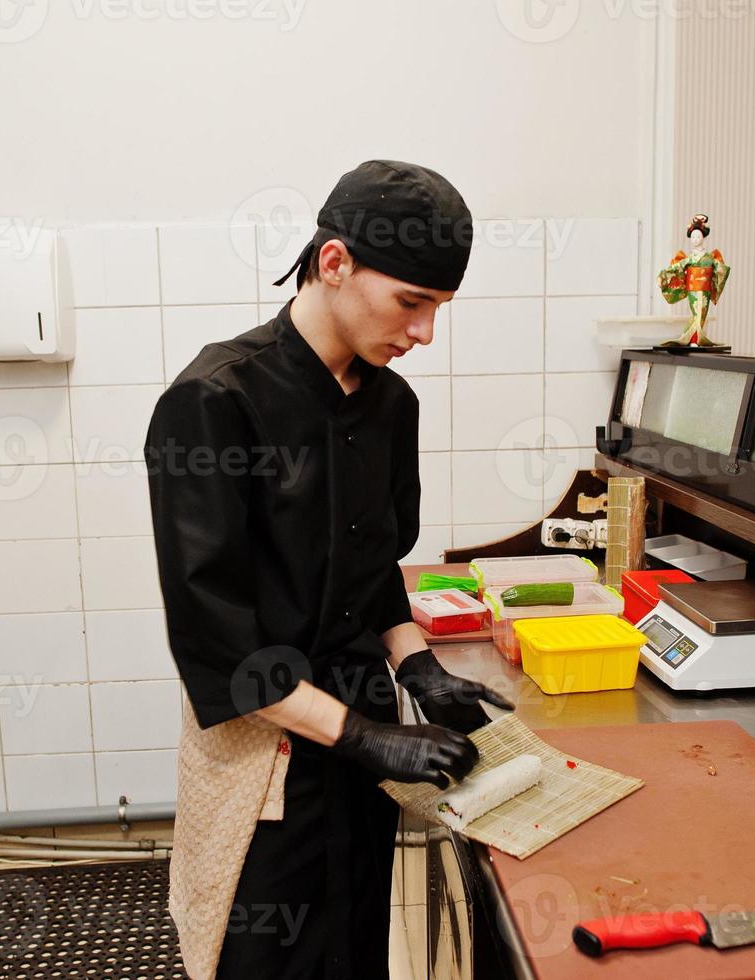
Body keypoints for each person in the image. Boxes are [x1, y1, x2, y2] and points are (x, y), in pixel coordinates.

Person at [145, 160, 514, 979]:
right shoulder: (215, 401)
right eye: (410, 303)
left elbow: (371, 561)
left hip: (365, 737)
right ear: (334, 262)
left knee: (351, 947)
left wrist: (414, 661)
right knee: (265, 953)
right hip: (266, 746)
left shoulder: (389, 404)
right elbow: (215, 640)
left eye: (437, 309)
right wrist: (361, 736)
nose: (422, 333)